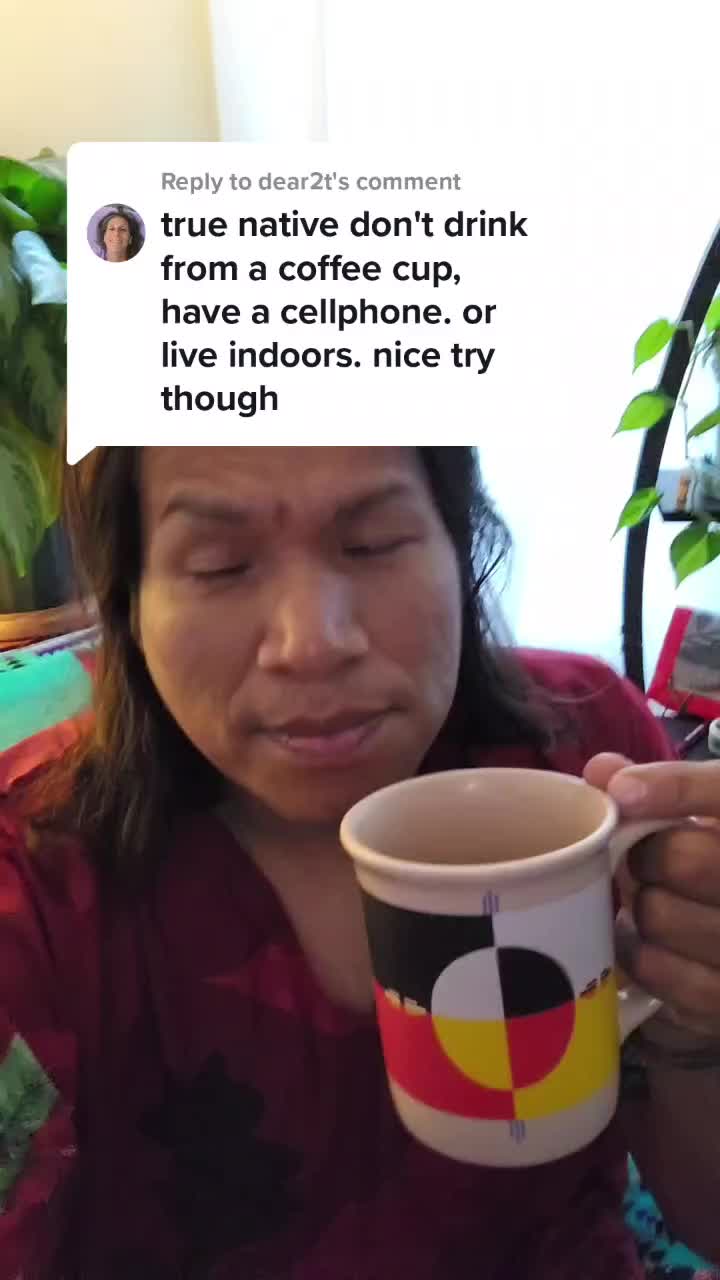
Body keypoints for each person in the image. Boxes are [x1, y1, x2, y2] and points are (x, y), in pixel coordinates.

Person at [1, 446, 720, 1280]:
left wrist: (691, 1016)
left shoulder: (586, 756)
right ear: (129, 599)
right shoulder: (36, 890)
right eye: (221, 564)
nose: (314, 643)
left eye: (374, 543)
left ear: (460, 542)